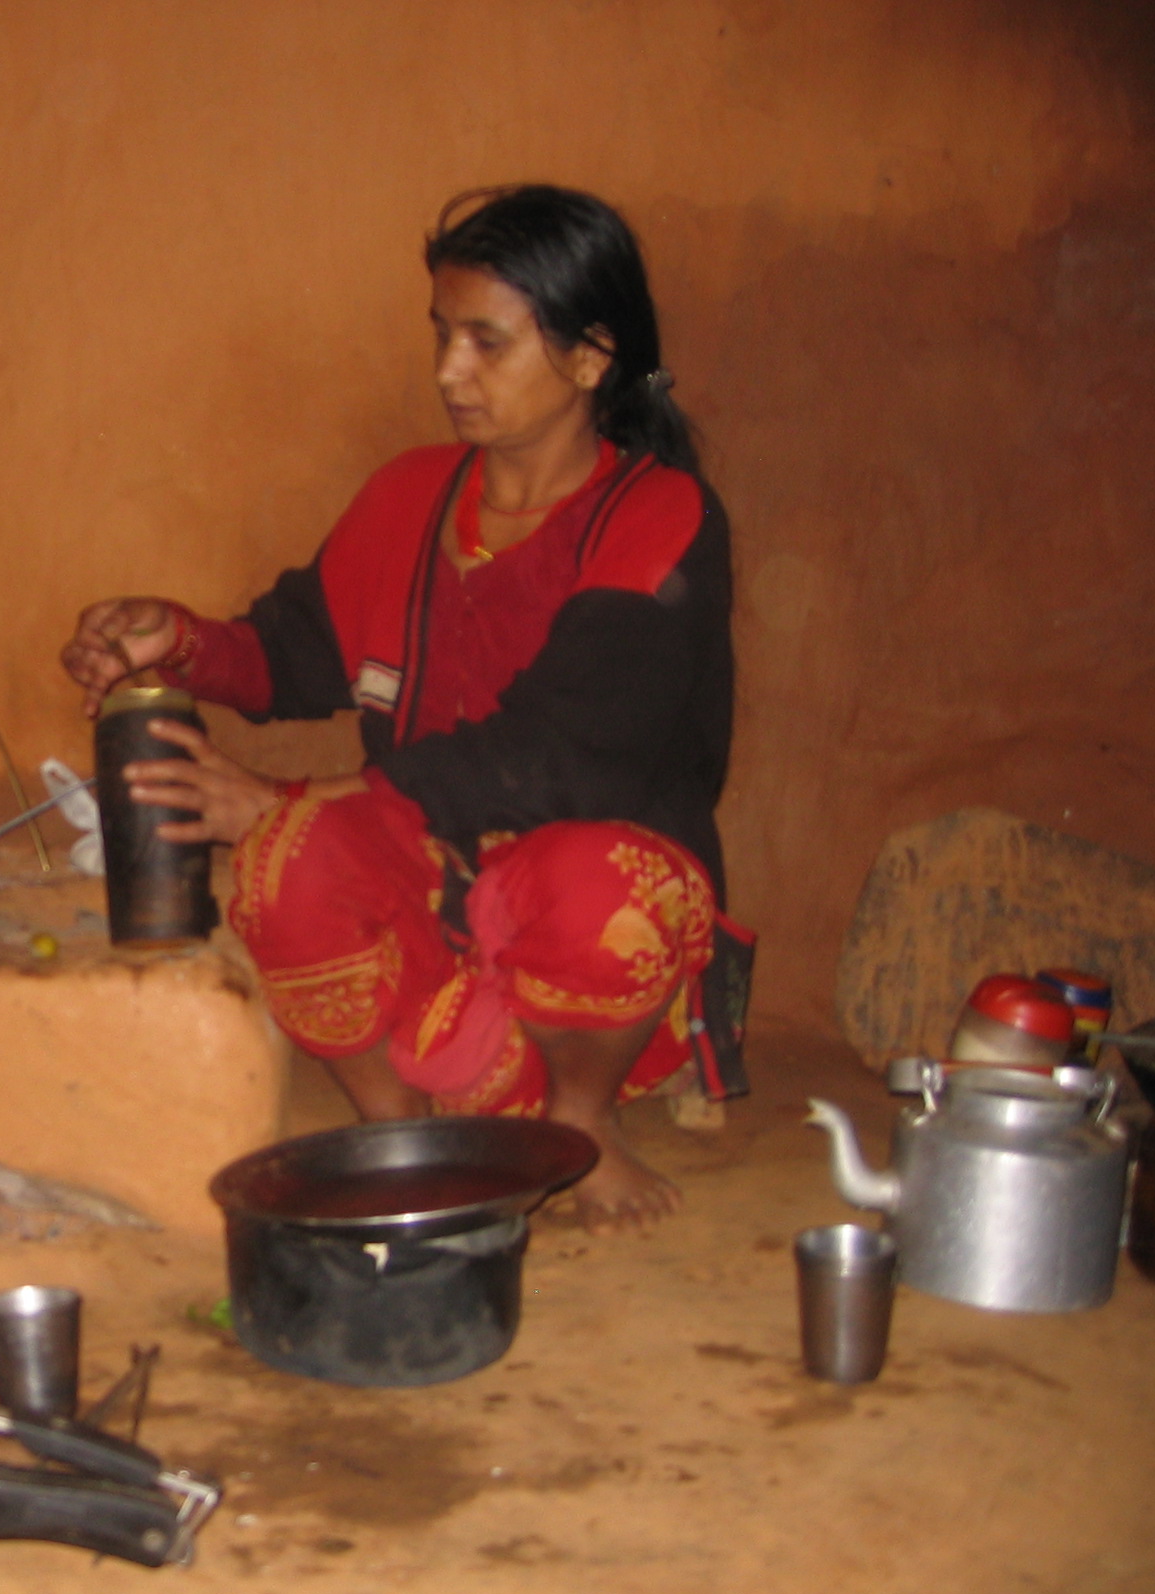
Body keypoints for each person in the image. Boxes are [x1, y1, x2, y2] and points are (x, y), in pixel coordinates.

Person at [61, 186, 736, 1230]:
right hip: (439, 938)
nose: (446, 372)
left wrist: (303, 797)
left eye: (485, 342)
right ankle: (398, 1130)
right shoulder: (408, 498)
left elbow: (560, 756)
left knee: (595, 880)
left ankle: (583, 1120)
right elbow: (290, 654)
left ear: (591, 354)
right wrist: (181, 644)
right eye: (440, 335)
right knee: (290, 859)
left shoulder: (654, 513)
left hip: (587, 975)